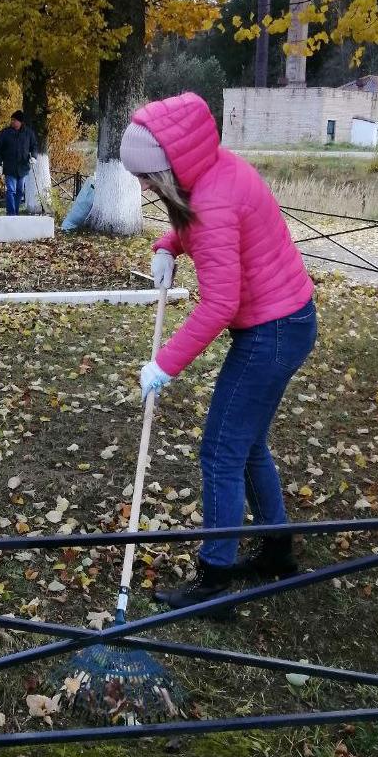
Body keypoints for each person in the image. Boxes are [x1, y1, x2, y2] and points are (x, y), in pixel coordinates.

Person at [119, 92, 317, 609]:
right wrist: (169, 244)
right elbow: (212, 227)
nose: (141, 184)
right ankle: (277, 550)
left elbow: (220, 303)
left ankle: (215, 578)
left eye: (144, 176)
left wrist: (164, 364)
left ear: (167, 168)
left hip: (271, 331)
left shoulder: (208, 200)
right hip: (289, 319)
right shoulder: (215, 172)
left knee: (221, 450)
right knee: (247, 445)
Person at [0, 110, 38, 216]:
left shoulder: (28, 133)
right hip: (10, 167)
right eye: (12, 120)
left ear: (21, 122)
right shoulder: (5, 133)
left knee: (19, 191)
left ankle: (16, 213)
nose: (12, 122)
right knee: (11, 190)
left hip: (23, 168)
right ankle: (11, 214)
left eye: (15, 120)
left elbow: (34, 146)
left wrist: (34, 157)